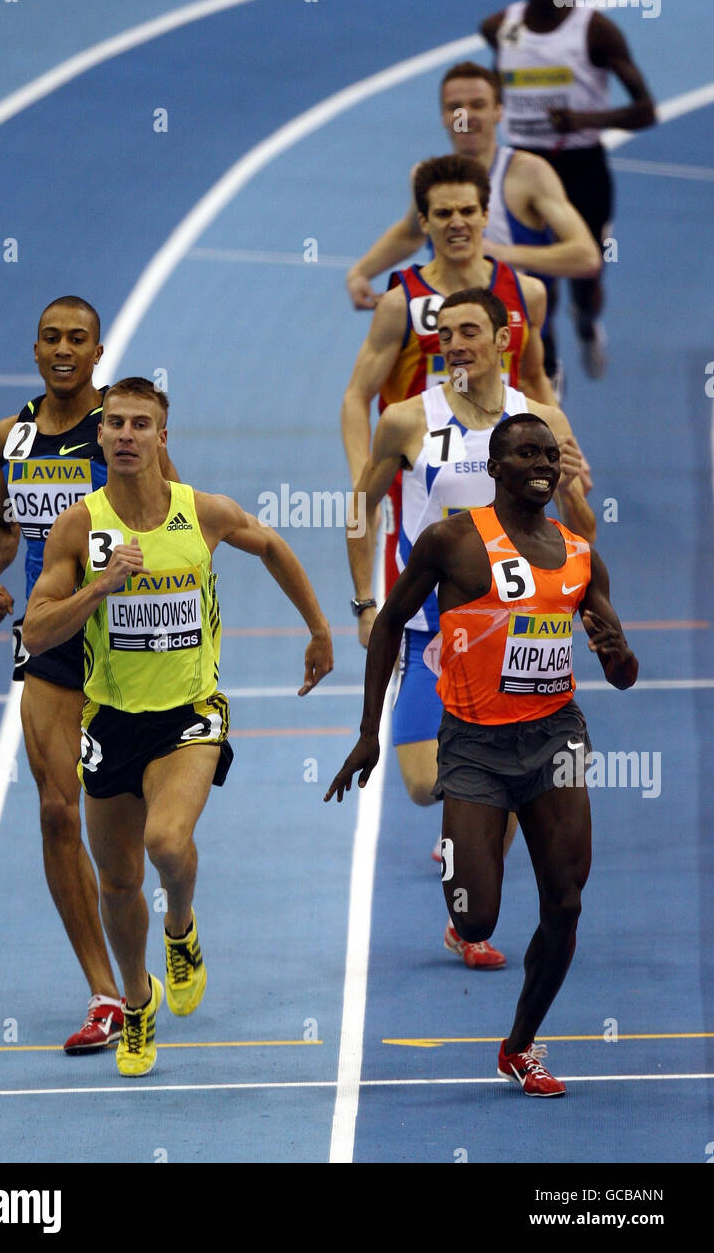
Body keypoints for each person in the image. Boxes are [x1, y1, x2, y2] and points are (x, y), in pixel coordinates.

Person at [22, 377, 333, 1076]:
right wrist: (99, 589)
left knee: (167, 843)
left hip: (190, 714)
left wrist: (319, 630)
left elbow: (273, 546)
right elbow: (37, 633)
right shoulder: (80, 525)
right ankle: (136, 1003)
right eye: (116, 425)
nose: (127, 435)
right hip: (110, 721)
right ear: (100, 439)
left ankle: (182, 927)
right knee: (119, 880)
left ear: (163, 437)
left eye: (141, 424)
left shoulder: (203, 512)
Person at [328, 413, 638, 1096]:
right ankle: (464, 872)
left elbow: (622, 671)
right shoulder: (453, 542)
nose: (542, 465)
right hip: (474, 744)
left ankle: (521, 1045)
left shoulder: (581, 555)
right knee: (476, 916)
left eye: (550, 455)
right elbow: (386, 627)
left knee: (566, 902)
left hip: (554, 737)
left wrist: (619, 657)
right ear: (493, 469)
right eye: (526, 453)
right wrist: (368, 731)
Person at [348, 287, 595, 967]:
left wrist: (572, 492)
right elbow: (361, 508)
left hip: (519, 634)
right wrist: (365, 605)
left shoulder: (541, 419)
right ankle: (471, 807)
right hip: (434, 632)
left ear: (502, 336)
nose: (453, 344)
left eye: (466, 331)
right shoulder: (404, 420)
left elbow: (584, 536)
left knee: (510, 766)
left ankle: (473, 866)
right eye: (444, 334)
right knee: (426, 785)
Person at [0, 296, 178, 1055]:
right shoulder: (12, 435)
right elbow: (2, 519)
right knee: (57, 810)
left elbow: (175, 516)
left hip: (129, 642)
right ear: (36, 352)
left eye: (78, 339)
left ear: (98, 353)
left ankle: (174, 920)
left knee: (136, 823)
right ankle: (108, 993)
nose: (64, 349)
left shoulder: (120, 431)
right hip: (52, 637)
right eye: (52, 338)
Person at [342, 153, 566, 603]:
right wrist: (362, 475)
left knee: (511, 605)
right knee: (416, 613)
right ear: (424, 223)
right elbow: (356, 396)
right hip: (425, 476)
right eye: (443, 213)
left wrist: (567, 448)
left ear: (486, 215)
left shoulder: (527, 293)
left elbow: (536, 378)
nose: (457, 223)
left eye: (467, 211)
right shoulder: (400, 301)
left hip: (505, 469)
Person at [344, 61, 601, 392]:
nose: (467, 115)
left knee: (521, 440)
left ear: (498, 111)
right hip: (449, 347)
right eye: (455, 107)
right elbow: (410, 232)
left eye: (478, 105)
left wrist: (498, 253)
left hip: (519, 347)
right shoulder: (429, 178)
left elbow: (586, 256)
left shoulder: (529, 174)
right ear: (443, 117)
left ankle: (587, 324)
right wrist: (361, 272)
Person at [480, 0, 656, 378]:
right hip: (522, 167)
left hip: (582, 169)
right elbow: (499, 81)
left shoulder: (595, 31)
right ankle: (549, 369)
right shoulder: (499, 29)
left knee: (585, 274)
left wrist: (585, 121)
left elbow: (646, 111)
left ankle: (588, 321)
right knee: (535, 282)